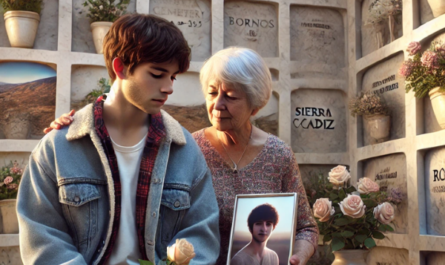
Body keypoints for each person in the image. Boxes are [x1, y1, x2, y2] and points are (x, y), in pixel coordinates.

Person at [45, 47, 319, 265]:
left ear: (256, 105)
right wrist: (77, 125)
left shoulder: (278, 155)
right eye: (212, 93)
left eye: (231, 96)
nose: (217, 105)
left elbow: (306, 227)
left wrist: (297, 257)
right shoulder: (187, 147)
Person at [17, 14, 220, 265]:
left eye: (173, 76)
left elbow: (202, 233)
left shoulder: (185, 150)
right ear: (120, 67)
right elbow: (42, 238)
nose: (169, 87)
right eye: (157, 74)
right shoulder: (57, 147)